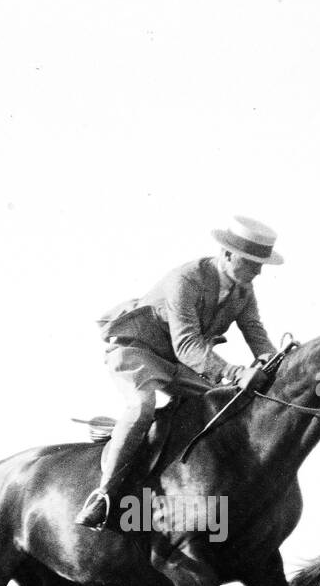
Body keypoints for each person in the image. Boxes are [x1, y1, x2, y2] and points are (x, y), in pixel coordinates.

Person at [75, 216, 283, 529]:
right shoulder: (186, 279)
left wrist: (275, 362)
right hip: (137, 353)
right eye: (251, 262)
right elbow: (187, 344)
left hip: (179, 365)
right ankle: (104, 495)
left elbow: (256, 333)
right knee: (142, 407)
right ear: (227, 255)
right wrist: (235, 371)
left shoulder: (243, 291)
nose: (258, 271)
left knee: (225, 405)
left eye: (261, 264)